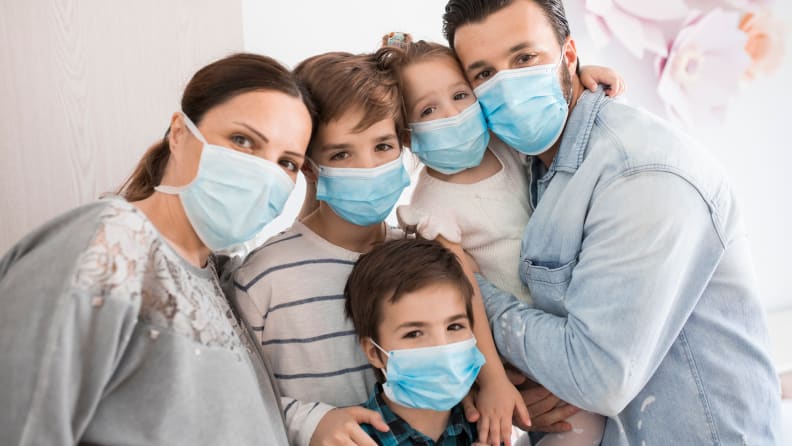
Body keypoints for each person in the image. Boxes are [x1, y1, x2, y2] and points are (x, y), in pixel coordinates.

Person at [442, 0, 783, 444]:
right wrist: (505, 382)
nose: (508, 87)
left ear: (567, 56)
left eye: (525, 59)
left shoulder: (641, 174)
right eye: (484, 74)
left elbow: (597, 376)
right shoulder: (529, 163)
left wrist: (467, 286)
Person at [0, 53, 314, 445]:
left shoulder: (218, 278)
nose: (266, 173)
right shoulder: (112, 241)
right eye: (242, 140)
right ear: (180, 132)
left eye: (287, 162)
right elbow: (21, 423)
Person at [230, 49, 527, 446]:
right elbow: (234, 403)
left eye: (383, 147)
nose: (368, 167)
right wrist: (311, 422)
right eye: (340, 153)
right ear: (308, 165)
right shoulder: (262, 277)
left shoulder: (426, 253)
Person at [377, 32, 620, 446]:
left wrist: (580, 75)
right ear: (406, 135)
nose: (451, 114)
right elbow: (467, 294)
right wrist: (493, 380)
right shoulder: (431, 206)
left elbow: (541, 107)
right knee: (570, 429)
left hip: (572, 317)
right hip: (520, 346)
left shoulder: (505, 144)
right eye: (428, 110)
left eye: (460, 96)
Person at [344, 238, 485, 446]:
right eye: (414, 333)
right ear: (374, 352)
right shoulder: (349, 439)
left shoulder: (488, 425)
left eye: (454, 327)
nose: (442, 348)